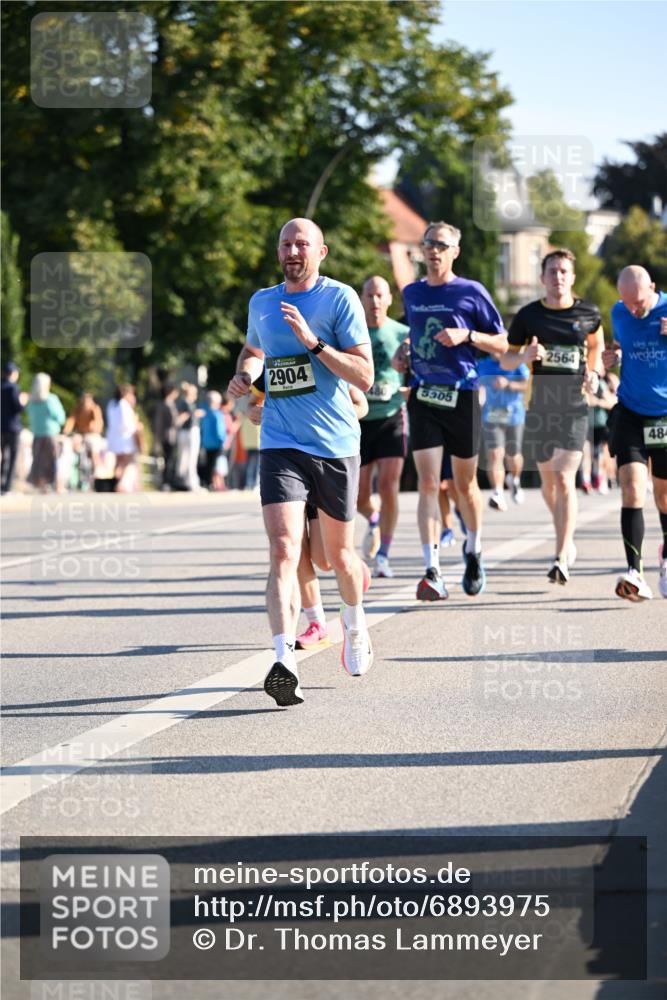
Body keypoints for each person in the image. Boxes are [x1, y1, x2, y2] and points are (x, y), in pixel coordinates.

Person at [227, 217, 374, 707]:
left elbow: (365, 375)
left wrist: (314, 343)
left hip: (334, 444)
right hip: (280, 441)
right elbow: (254, 349)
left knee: (338, 558)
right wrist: (246, 375)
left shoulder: (340, 299)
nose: (293, 251)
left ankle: (353, 625)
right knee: (285, 549)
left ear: (321, 252)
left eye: (302, 244)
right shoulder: (262, 302)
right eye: (286, 243)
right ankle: (284, 659)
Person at [393, 221, 507, 601]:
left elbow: (503, 343)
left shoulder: (471, 292)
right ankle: (432, 569)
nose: (433, 250)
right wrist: (403, 353)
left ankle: (473, 549)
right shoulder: (412, 293)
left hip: (462, 395)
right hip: (424, 395)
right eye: (428, 244)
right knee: (427, 483)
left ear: (454, 251)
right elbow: (412, 336)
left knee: (465, 485)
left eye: (441, 244)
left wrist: (468, 336)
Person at [502, 249, 604, 584]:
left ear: (572, 277)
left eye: (564, 271)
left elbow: (595, 350)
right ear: (542, 277)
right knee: (549, 484)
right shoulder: (529, 315)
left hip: (574, 406)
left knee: (564, 479)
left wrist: (594, 372)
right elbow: (505, 360)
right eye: (552, 271)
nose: (558, 277)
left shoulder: (589, 312)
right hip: (540, 407)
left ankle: (561, 554)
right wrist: (525, 356)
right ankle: (566, 530)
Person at [602, 265, 667, 601]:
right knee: (631, 488)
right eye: (627, 303)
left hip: (665, 416)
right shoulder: (619, 311)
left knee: (664, 496)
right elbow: (618, 344)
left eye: (638, 304)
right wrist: (611, 356)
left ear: (653, 288)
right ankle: (635, 572)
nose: (633, 310)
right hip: (630, 412)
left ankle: (666, 558)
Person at [356, 275, 409, 578]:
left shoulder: (403, 333)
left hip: (392, 415)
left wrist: (406, 391)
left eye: (380, 295)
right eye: (369, 295)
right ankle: (373, 519)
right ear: (362, 299)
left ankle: (384, 554)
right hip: (360, 421)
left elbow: (414, 377)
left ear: (389, 300)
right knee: (360, 496)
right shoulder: (351, 333)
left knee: (389, 485)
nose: (374, 301)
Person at [477, 354, 529, 510]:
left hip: (514, 414)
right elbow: (478, 385)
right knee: (494, 454)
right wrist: (479, 400)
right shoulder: (483, 364)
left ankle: (514, 479)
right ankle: (497, 492)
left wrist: (508, 384)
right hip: (491, 414)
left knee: (513, 455)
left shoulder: (516, 362)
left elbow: (527, 385)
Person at [26, 373, 66, 492]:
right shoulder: (50, 399)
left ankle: (41, 485)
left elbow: (30, 418)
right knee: (53, 460)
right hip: (51, 434)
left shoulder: (32, 401)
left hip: (37, 434)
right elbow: (60, 417)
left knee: (38, 461)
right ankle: (57, 486)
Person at [64, 391, 104, 488]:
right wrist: (66, 430)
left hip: (92, 434)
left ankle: (96, 474)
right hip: (81, 433)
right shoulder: (78, 408)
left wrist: (94, 427)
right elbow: (71, 420)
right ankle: (74, 473)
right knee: (73, 443)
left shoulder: (95, 409)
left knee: (94, 449)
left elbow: (98, 423)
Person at [106, 384, 141, 492]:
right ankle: (123, 484)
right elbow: (127, 424)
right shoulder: (124, 405)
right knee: (130, 462)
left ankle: (117, 482)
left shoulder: (112, 404)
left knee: (119, 462)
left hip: (114, 438)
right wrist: (137, 426)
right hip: (125, 439)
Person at [1, 361, 27, 495]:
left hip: (1, 427)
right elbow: (18, 407)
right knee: (12, 457)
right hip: (12, 428)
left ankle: (1, 484)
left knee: (2, 457)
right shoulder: (13, 388)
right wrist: (24, 401)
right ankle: (7, 487)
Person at [151, 383, 179, 490]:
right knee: (167, 459)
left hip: (172, 435)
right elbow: (160, 423)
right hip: (166, 436)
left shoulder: (172, 404)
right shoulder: (163, 405)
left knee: (170, 459)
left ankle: (169, 481)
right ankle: (165, 482)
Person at [199, 390, 227, 489]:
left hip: (206, 443)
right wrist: (223, 440)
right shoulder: (217, 414)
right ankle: (211, 484)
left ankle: (207, 482)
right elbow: (220, 431)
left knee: (208, 464)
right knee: (214, 465)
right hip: (216, 443)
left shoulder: (204, 412)